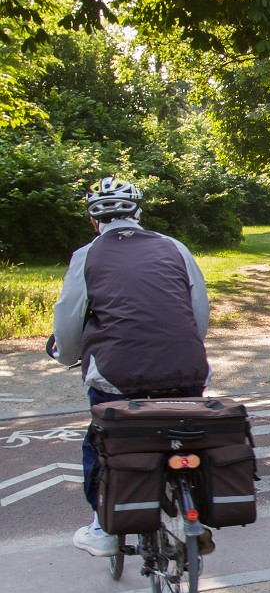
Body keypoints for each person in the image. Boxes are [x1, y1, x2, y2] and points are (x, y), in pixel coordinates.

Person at [52, 177, 211, 557]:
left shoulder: (86, 256)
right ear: (139, 212)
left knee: (102, 444)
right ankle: (195, 513)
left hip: (118, 379)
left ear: (94, 220)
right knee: (185, 433)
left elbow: (69, 322)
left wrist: (64, 355)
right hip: (186, 370)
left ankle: (103, 529)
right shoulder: (175, 248)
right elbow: (198, 315)